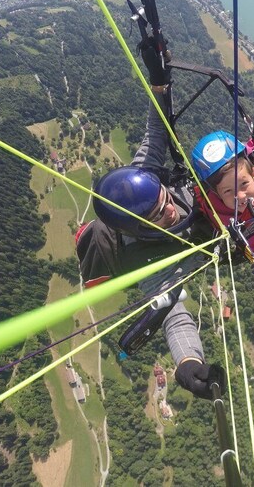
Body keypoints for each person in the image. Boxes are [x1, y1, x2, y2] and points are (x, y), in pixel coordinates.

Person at [75, 37, 224, 400]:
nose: (169, 209)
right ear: (139, 229)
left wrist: (158, 81)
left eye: (164, 199)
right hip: (211, 231)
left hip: (206, 203)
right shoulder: (148, 260)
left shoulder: (141, 178)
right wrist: (189, 363)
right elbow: (174, 315)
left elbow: (156, 132)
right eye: (159, 216)